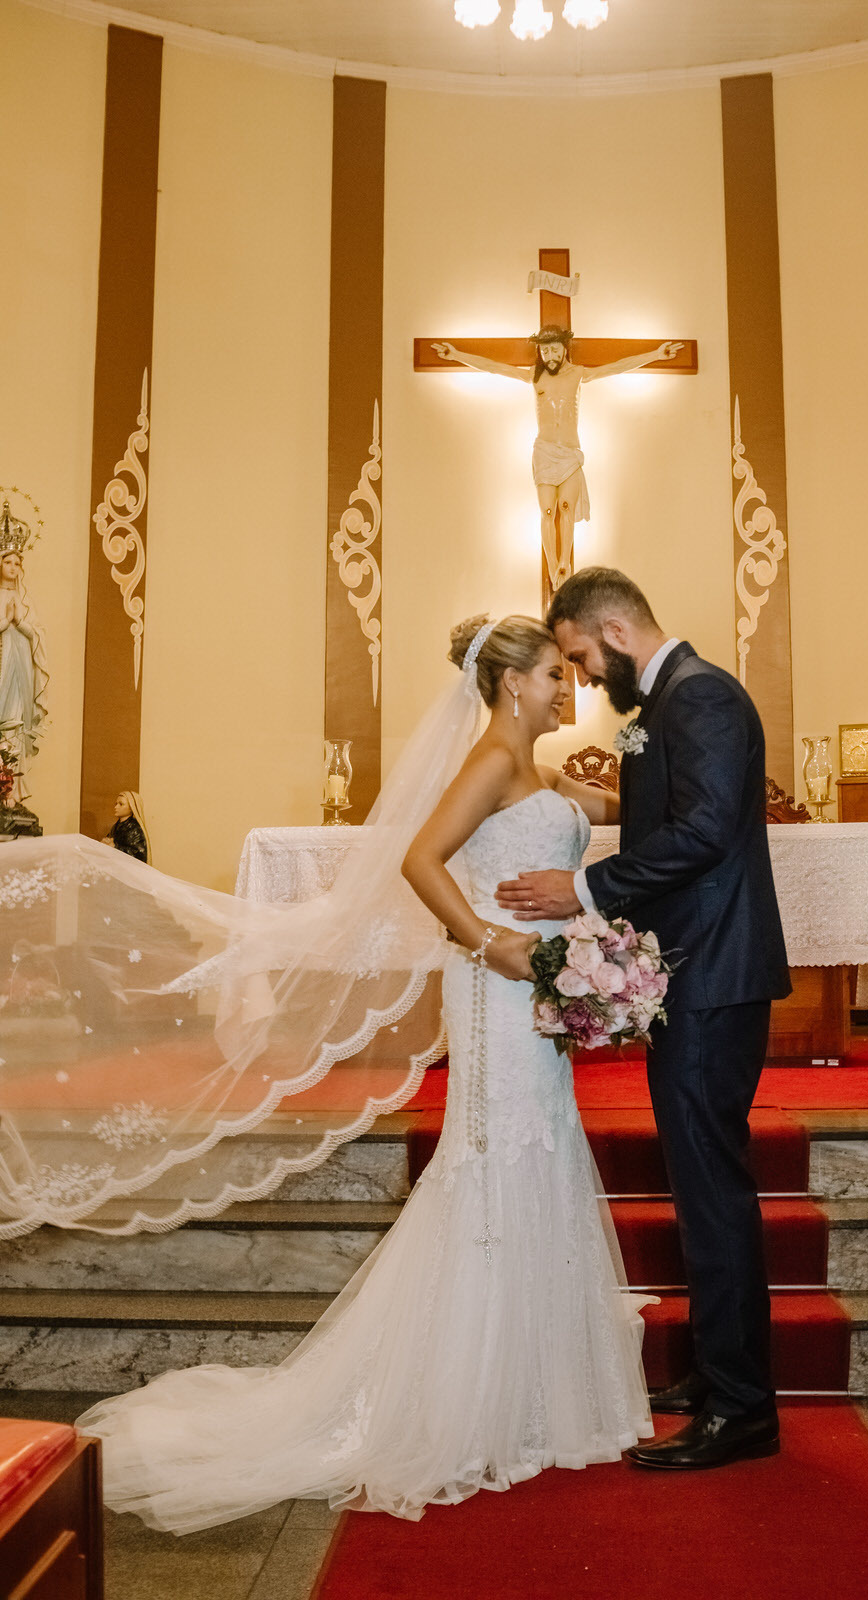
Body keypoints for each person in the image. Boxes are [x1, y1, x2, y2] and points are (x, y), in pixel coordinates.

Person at [76, 614, 652, 1530]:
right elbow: (419, 859)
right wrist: (492, 942)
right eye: (554, 672)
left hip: (537, 996)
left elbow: (597, 816)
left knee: (537, 1152)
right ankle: (465, 1399)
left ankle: (529, 1393)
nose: (568, 684)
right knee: (497, 1160)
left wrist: (653, 775)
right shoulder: (493, 763)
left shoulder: (538, 769)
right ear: (511, 685)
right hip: (500, 989)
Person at [496, 567, 792, 1471]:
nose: (584, 677)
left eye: (583, 656)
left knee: (712, 1190)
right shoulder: (666, 702)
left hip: (711, 978)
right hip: (691, 974)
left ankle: (743, 1408)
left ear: (615, 630)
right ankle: (714, 1375)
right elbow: (667, 817)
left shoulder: (699, 698)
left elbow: (703, 833)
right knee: (698, 1183)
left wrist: (579, 887)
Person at [431, 328, 683, 589]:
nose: (550, 355)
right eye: (545, 350)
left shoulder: (578, 374)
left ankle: (565, 562)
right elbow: (494, 368)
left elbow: (618, 367)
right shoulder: (534, 376)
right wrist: (456, 354)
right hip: (544, 451)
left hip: (570, 452)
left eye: (555, 349)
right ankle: (553, 567)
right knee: (548, 510)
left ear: (565, 349)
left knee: (566, 508)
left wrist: (656, 354)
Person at [0, 544, 49, 805]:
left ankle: (11, 791)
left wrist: (20, 622)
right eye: (8, 562)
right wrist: (5, 623)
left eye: (17, 563)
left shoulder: (26, 601)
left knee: (15, 725)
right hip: (1, 670)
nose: (13, 568)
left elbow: (38, 636)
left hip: (20, 674)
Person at [103, 791, 151, 863]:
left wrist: (115, 847)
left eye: (121, 804)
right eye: (116, 804)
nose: (116, 807)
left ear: (131, 808)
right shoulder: (116, 826)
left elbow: (140, 856)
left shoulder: (135, 828)